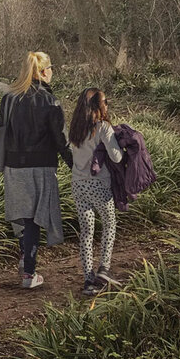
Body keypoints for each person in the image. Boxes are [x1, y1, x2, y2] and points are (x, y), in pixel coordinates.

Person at [0, 51, 71, 289]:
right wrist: (76, 166)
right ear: (43, 71)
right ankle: (29, 275)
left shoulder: (9, 98)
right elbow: (61, 140)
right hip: (42, 166)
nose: (52, 72)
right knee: (35, 218)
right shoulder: (50, 100)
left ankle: (26, 259)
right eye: (51, 68)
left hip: (13, 166)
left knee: (25, 218)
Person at [67, 88, 124, 294]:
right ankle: (104, 268)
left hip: (78, 184)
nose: (107, 104)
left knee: (86, 231)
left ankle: (88, 280)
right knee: (109, 224)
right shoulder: (103, 128)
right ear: (97, 106)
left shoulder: (74, 129)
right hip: (98, 184)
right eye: (105, 101)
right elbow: (116, 157)